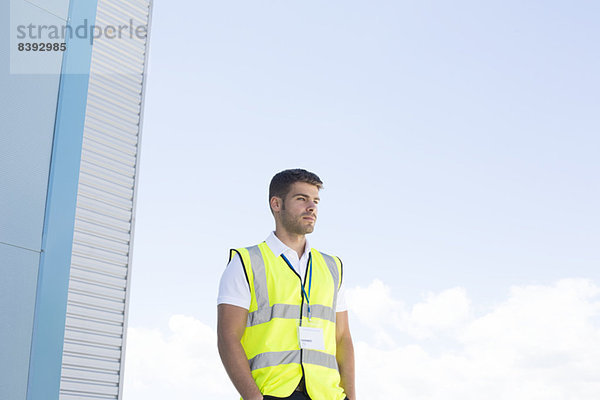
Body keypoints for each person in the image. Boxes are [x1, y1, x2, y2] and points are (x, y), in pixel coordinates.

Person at [217, 169, 356, 400]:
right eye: (301, 199)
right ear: (276, 204)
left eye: (315, 201)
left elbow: (343, 339)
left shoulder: (333, 267)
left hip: (328, 395)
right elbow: (227, 337)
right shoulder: (246, 263)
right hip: (270, 394)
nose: (311, 207)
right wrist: (254, 398)